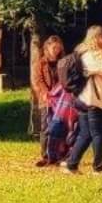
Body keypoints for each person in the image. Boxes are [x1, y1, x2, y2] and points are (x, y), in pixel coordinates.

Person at [63, 25, 102, 174]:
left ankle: (71, 164)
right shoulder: (93, 55)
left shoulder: (82, 52)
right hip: (94, 100)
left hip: (85, 98)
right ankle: (98, 168)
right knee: (99, 134)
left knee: (86, 134)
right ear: (101, 38)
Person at [32, 35, 67, 166]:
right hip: (46, 100)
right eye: (54, 47)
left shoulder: (63, 62)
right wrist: (45, 93)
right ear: (47, 47)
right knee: (46, 127)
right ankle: (46, 155)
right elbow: (38, 80)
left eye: (58, 48)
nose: (56, 50)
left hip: (60, 100)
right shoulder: (40, 63)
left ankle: (59, 154)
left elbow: (65, 80)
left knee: (60, 127)